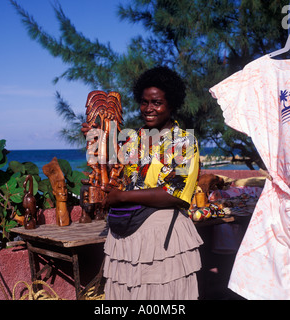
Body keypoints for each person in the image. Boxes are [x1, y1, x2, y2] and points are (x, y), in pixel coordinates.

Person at [83, 66, 203, 300]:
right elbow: (110, 165)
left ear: (171, 104)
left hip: (161, 239)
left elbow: (174, 193)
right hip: (127, 237)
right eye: (144, 102)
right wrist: (93, 138)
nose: (149, 109)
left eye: (156, 102)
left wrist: (122, 197)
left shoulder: (182, 141)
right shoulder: (135, 137)